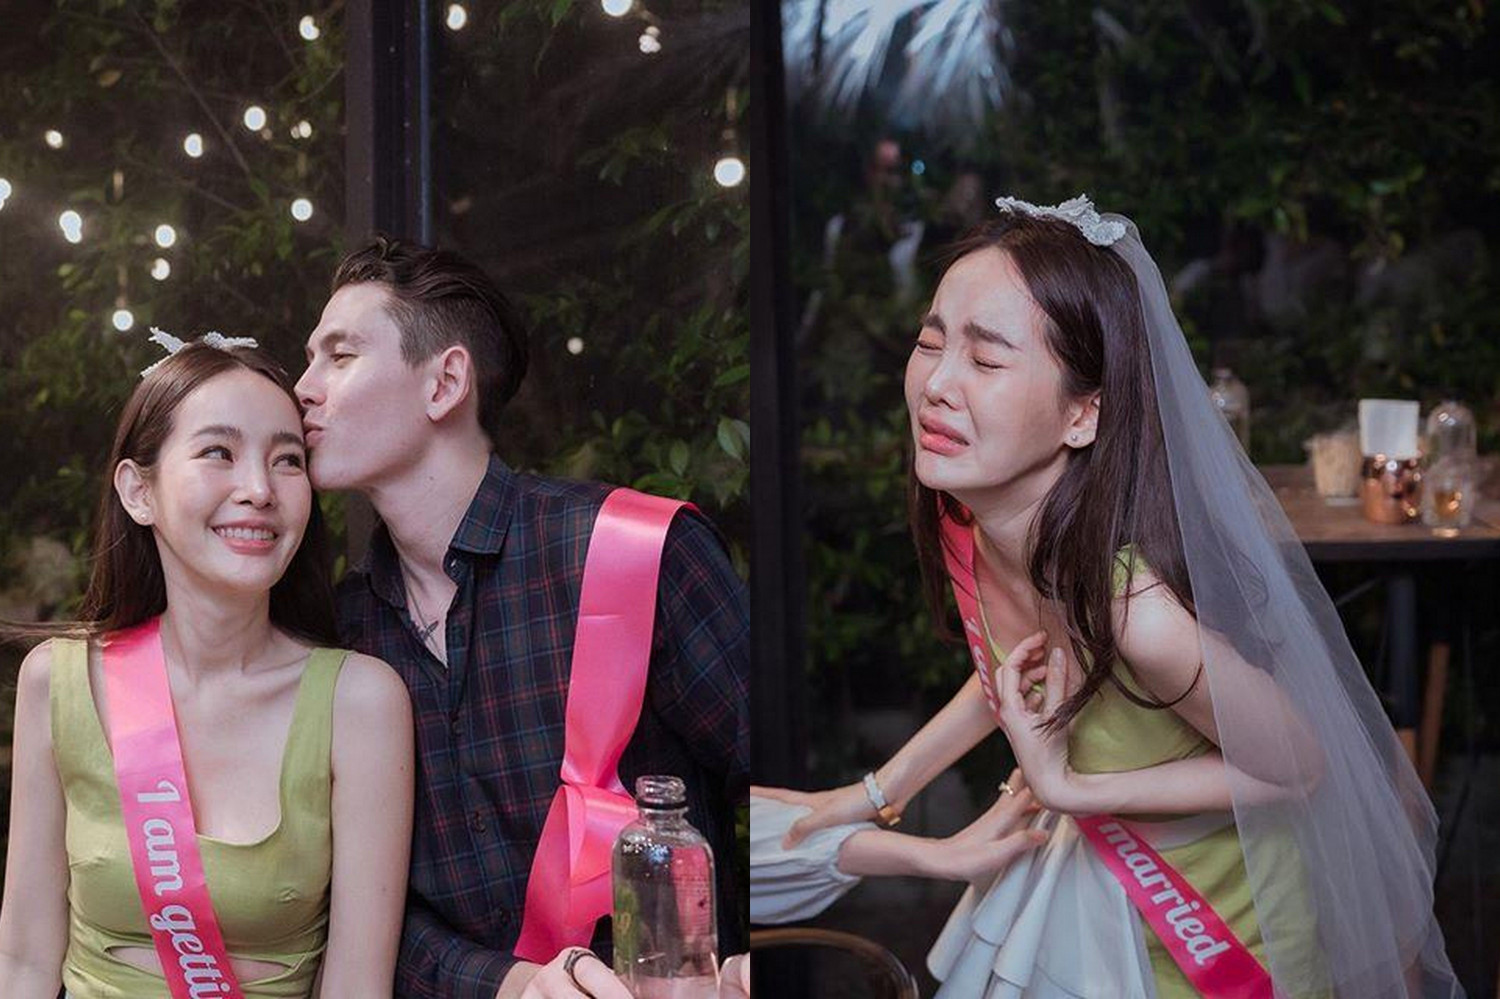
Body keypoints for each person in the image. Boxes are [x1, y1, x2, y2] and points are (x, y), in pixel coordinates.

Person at [753, 196, 1462, 998]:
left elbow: (1298, 766)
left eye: (986, 360)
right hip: (1095, 885)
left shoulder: (1139, 614)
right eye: (929, 342)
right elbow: (1007, 669)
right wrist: (880, 790)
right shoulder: (972, 521)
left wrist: (1072, 789)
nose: (936, 385)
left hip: (1218, 927)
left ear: (1084, 413)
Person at [294, 237, 750, 999]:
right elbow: (365, 906)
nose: (304, 387)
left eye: (339, 356)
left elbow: (777, 784)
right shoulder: (344, 630)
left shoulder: (634, 552)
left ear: (445, 383)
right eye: (309, 360)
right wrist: (507, 982)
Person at [0, 338, 415, 997]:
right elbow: (23, 962)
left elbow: (358, 985)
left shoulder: (359, 702)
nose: (259, 490)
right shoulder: (59, 682)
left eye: (287, 460)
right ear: (139, 491)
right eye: (219, 452)